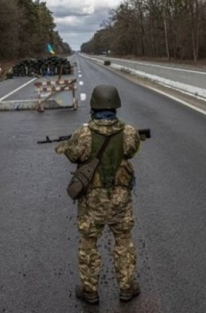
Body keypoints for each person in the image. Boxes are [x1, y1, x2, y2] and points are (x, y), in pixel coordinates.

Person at [55, 84, 141, 305]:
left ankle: (90, 291)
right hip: (120, 199)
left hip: (92, 200)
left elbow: (73, 155)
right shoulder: (129, 132)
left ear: (94, 105)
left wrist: (67, 145)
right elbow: (131, 150)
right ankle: (126, 288)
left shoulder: (83, 134)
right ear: (116, 105)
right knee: (123, 241)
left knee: (89, 243)